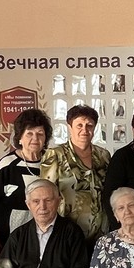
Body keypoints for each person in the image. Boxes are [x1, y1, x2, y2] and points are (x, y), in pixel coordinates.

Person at [40, 105, 112, 246]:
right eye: (79, 125)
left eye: (89, 125)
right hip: (67, 234)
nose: (84, 130)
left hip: (101, 234)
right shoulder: (55, 155)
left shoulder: (103, 155)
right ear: (69, 127)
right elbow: (46, 194)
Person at [0, 108, 53, 247]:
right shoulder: (7, 165)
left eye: (40, 133)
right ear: (20, 138)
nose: (35, 138)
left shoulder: (52, 163)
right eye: (29, 133)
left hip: (46, 237)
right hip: (10, 240)